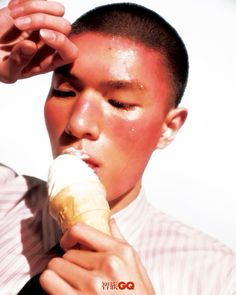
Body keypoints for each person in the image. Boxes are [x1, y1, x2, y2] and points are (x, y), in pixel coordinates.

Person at [0, 1, 235, 294]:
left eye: (119, 103)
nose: (79, 122)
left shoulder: (220, 278)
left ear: (168, 127)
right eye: (64, 91)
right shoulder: (5, 199)